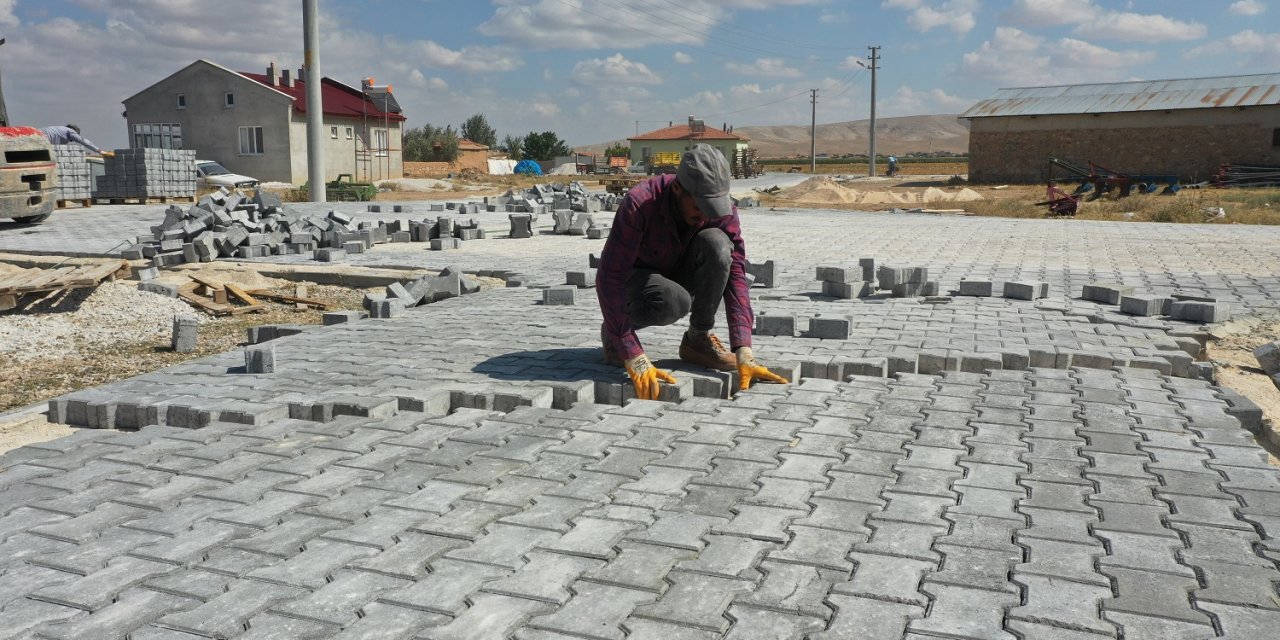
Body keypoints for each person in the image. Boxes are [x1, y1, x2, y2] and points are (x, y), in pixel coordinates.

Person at [597, 143, 788, 400]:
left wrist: (744, 349)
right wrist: (632, 352)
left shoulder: (722, 209)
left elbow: (736, 274)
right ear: (678, 189)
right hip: (639, 281)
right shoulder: (640, 204)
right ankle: (614, 335)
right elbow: (610, 277)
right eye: (699, 207)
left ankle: (697, 340)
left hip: (679, 273)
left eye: (713, 208)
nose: (705, 215)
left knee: (719, 246)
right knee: (672, 301)